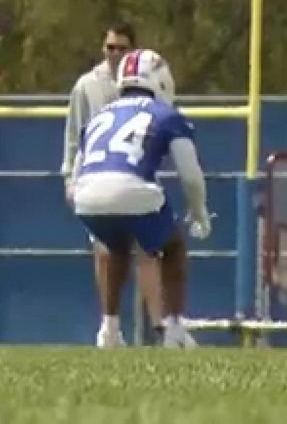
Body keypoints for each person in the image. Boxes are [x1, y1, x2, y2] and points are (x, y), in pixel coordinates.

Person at [70, 50, 210, 348]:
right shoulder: (166, 115)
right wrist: (199, 211)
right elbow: (190, 175)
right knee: (173, 246)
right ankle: (174, 328)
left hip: (86, 194)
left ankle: (109, 329)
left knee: (116, 247)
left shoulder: (100, 116)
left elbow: (77, 169)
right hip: (131, 188)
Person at [61, 24, 165, 347]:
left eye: (122, 48)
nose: (115, 54)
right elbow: (75, 135)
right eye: (110, 48)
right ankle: (110, 326)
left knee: (150, 250)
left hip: (136, 175)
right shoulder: (88, 86)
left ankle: (161, 328)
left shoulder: (150, 82)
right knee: (106, 251)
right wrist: (70, 177)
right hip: (98, 177)